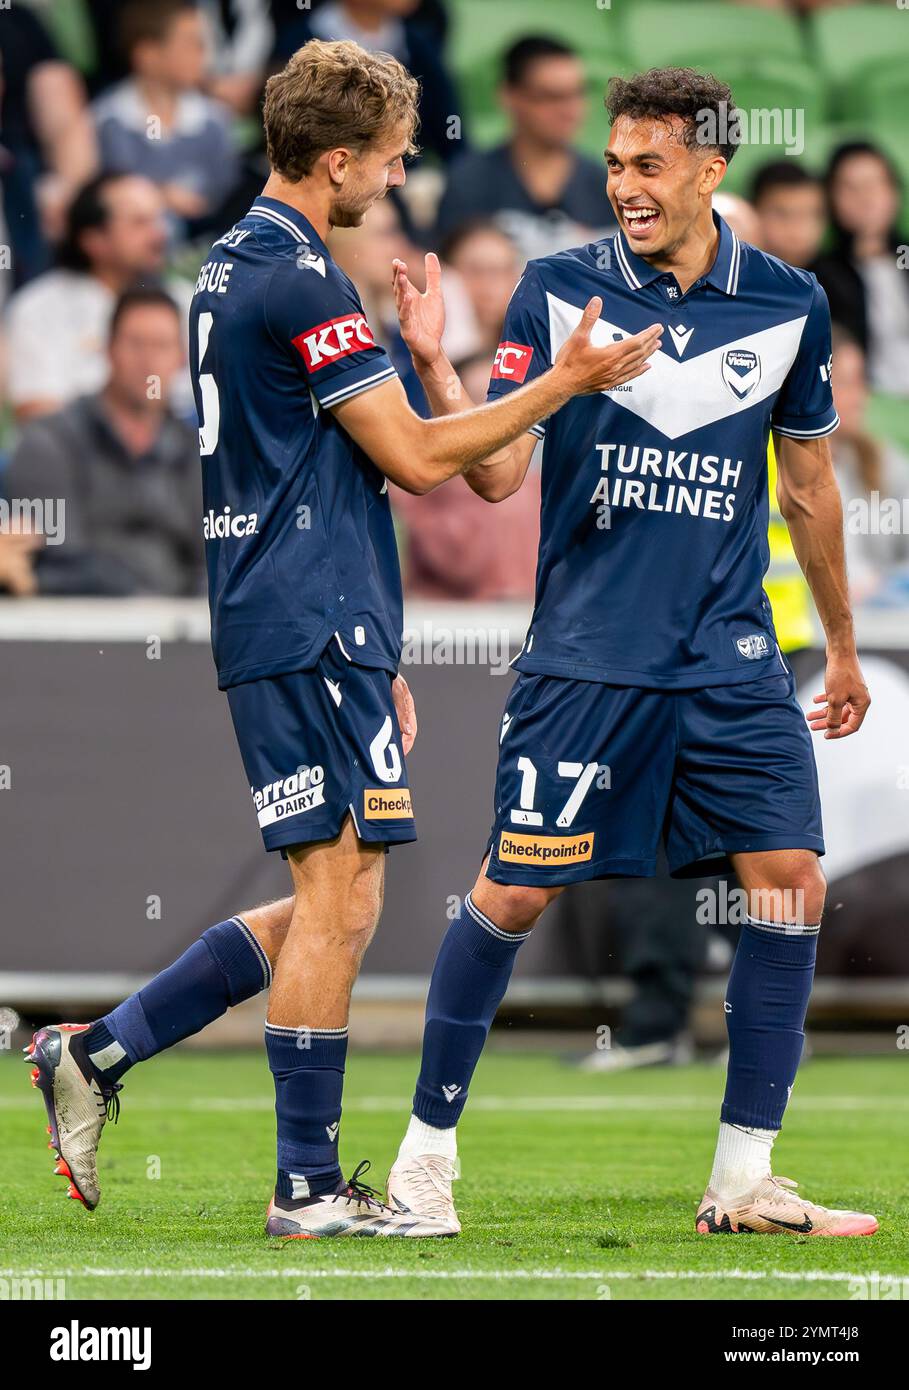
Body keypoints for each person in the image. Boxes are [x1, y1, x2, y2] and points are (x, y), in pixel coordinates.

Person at [25, 38, 660, 1238]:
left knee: (341, 893)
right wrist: (566, 383)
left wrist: (379, 642)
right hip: (303, 618)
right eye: (391, 155)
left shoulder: (232, 265)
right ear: (334, 160)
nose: (404, 172)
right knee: (336, 894)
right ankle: (305, 1186)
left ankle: (99, 1052)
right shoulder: (301, 281)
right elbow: (418, 461)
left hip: (314, 617)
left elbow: (313, 466)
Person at [383, 66, 877, 1239]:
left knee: (792, 885)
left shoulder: (791, 302)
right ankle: (421, 1160)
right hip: (588, 660)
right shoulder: (560, 290)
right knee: (511, 892)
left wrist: (842, 648)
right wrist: (443, 365)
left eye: (648, 165)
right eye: (613, 163)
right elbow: (498, 471)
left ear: (713, 170)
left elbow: (809, 492)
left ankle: (744, 1177)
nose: (624, 186)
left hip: (732, 659)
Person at [1, 289, 203, 598]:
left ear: (181, 359)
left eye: (161, 346)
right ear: (108, 349)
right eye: (135, 344)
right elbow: (55, 565)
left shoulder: (197, 453)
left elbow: (214, 565)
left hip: (181, 633)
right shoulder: (49, 443)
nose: (147, 360)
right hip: (76, 633)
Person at [5, 173, 191, 423]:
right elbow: (37, 415)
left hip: (179, 455)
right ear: (94, 241)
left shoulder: (188, 299)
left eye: (159, 219)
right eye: (139, 223)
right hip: (76, 457)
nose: (159, 235)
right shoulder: (38, 308)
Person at [435, 36, 616, 262]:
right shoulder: (469, 182)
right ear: (510, 97)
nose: (570, 110)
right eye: (551, 96)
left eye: (578, 93)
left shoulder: (608, 185)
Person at [91, 0, 241, 233]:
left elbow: (230, 194)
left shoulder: (215, 120)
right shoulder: (108, 121)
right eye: (192, 44)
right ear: (147, 55)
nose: (202, 54)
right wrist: (160, 197)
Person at [812, 142, 909, 398]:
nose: (865, 197)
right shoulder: (819, 275)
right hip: (863, 408)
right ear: (830, 198)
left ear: (894, 191)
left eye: (875, 184)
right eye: (850, 188)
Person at [829, 330, 909, 600]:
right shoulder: (782, 472)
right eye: (847, 383)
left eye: (862, 382)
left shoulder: (881, 458)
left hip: (883, 629)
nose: (860, 398)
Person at [750, 161, 825, 269]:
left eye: (806, 214)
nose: (795, 226)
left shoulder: (839, 279)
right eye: (781, 214)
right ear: (753, 212)